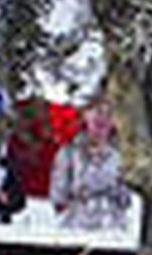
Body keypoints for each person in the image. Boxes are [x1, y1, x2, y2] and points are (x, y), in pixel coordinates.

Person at [49, 95, 129, 230]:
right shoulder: (68, 153)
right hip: (77, 226)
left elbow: (128, 197)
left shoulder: (124, 155)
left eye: (109, 113)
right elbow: (58, 196)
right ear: (85, 115)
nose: (102, 117)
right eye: (97, 111)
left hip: (113, 228)